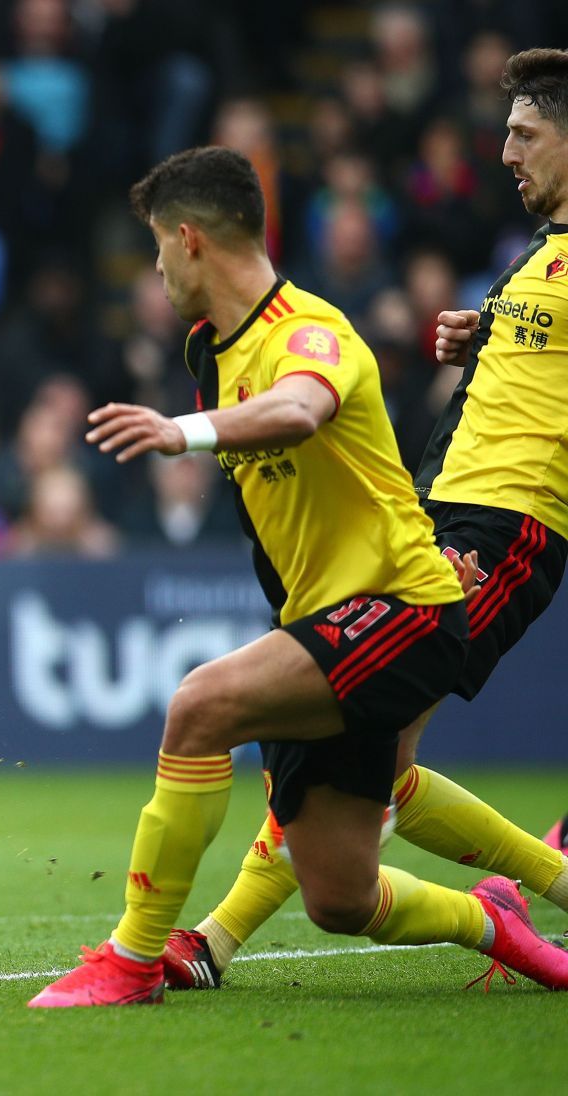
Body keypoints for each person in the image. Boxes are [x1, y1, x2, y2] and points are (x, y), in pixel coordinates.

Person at [29, 146, 568, 1008]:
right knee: (342, 898)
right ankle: (496, 923)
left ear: (190, 239)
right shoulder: (209, 346)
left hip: (404, 610)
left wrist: (186, 432)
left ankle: (131, 961)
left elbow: (301, 407)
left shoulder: (309, 331)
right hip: (326, 623)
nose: (156, 270)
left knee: (200, 706)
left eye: (158, 248)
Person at [161, 48, 568, 990]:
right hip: (442, 512)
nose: (505, 150)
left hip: (509, 529)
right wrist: (489, 334)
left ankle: (213, 940)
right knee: (364, 745)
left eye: (526, 133)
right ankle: (522, 894)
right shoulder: (538, 258)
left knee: (368, 738)